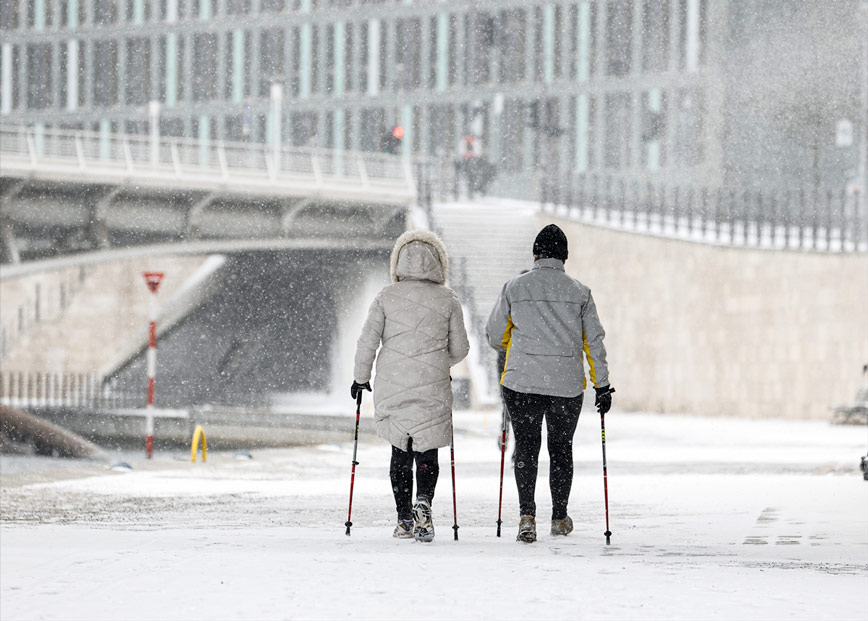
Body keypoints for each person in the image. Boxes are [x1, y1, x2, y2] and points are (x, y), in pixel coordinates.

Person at [486, 223, 614, 543]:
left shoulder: (514, 288)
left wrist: (518, 344)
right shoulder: (580, 293)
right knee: (561, 449)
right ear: (565, 257)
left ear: (534, 254)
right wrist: (602, 385)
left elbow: (494, 335)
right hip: (565, 386)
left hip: (523, 384)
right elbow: (593, 342)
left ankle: (527, 516)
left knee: (527, 449)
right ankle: (559, 516)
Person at [352, 229, 469, 542]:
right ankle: (424, 504)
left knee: (400, 452)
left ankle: (404, 519)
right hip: (432, 383)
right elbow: (460, 349)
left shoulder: (386, 296)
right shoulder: (448, 299)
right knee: (427, 452)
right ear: (438, 262)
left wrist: (360, 378)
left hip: (393, 381)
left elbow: (367, 341)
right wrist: (437, 361)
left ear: (399, 262)